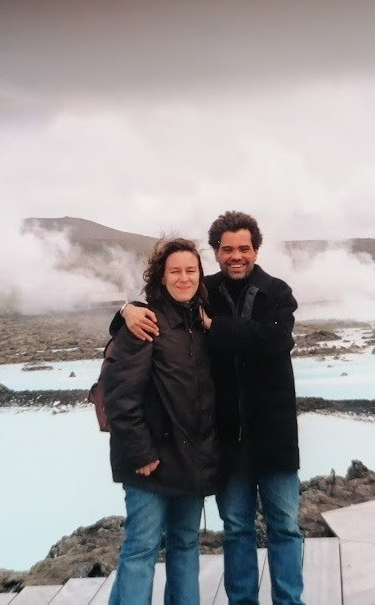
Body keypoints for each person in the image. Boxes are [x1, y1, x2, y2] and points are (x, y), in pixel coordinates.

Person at [121, 211, 304, 604]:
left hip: (274, 437)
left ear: (256, 249)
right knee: (236, 528)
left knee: (285, 527)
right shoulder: (205, 291)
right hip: (227, 442)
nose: (236, 256)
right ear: (216, 253)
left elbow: (276, 342)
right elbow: (161, 308)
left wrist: (214, 327)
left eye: (244, 248)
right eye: (227, 249)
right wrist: (123, 311)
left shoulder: (277, 292)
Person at [102, 238, 222, 605]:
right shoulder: (145, 321)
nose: (183, 278)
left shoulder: (201, 322)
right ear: (161, 276)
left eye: (191, 270)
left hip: (191, 461)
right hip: (149, 463)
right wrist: (141, 454)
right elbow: (120, 397)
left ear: (200, 275)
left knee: (185, 544)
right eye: (175, 271)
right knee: (141, 548)